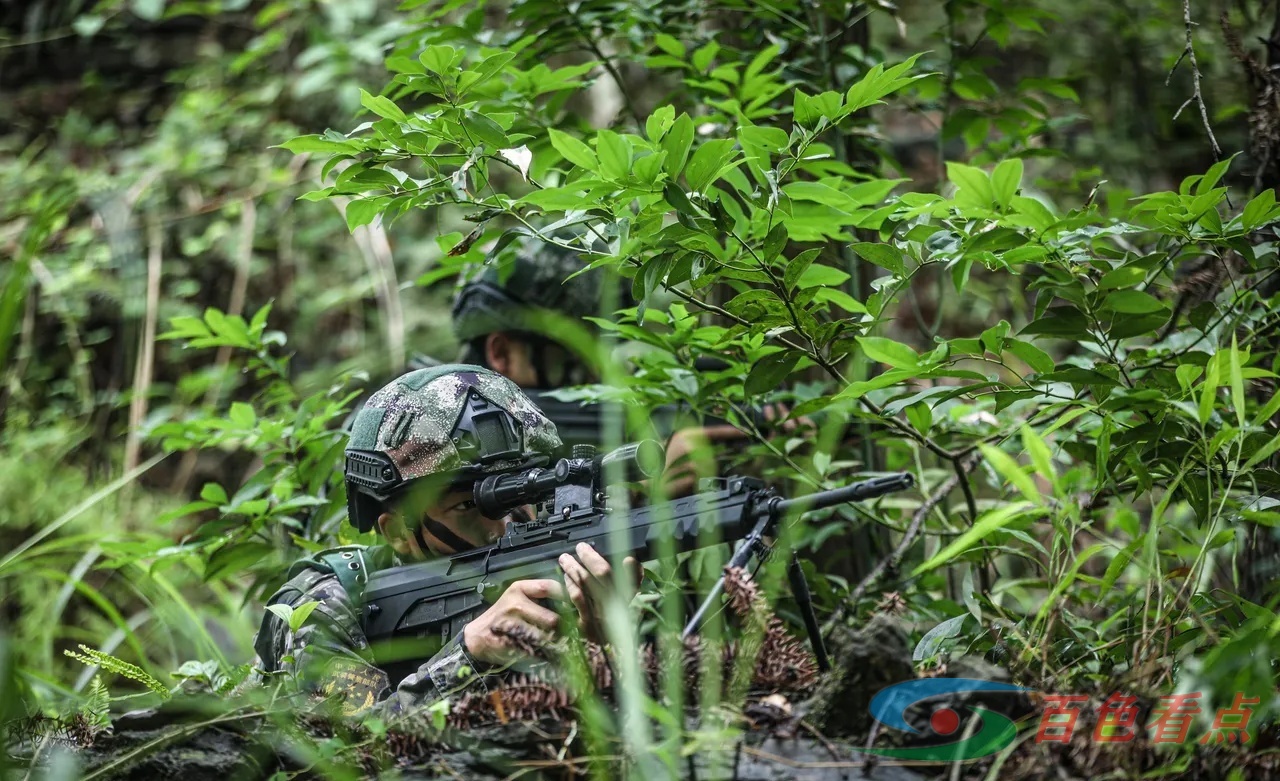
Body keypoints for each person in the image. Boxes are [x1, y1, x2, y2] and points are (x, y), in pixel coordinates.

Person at [249, 365, 632, 718]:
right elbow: (356, 747)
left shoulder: (561, 575)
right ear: (397, 532)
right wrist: (469, 656)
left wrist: (601, 646)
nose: (501, 525)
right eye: (468, 505)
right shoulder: (324, 604)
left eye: (521, 495)